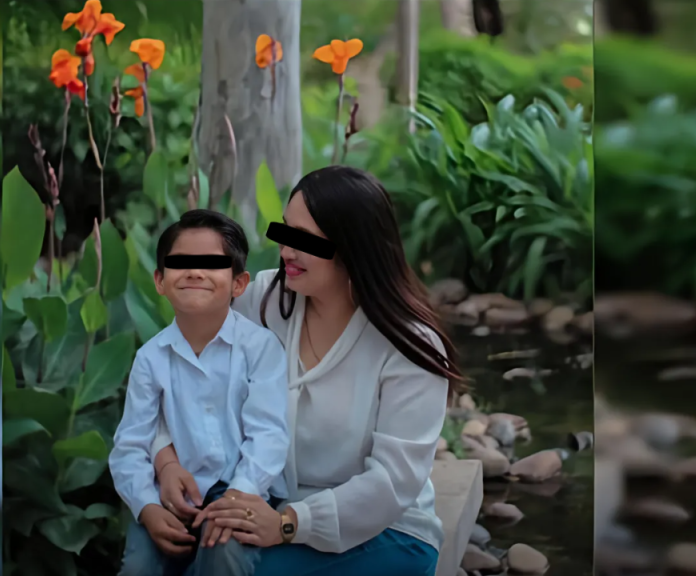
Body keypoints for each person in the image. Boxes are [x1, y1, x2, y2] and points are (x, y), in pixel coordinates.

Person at [149, 166, 465, 576]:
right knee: (177, 553)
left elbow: (392, 483)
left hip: (385, 532)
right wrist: (166, 461)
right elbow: (173, 374)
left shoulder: (409, 345)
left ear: (352, 246)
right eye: (285, 232)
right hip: (266, 505)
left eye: (303, 239)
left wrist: (289, 523)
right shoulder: (260, 302)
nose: (285, 251)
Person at [109, 209, 291, 576]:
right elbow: (130, 444)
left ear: (239, 283)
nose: (194, 272)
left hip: (241, 488)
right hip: (172, 495)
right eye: (180, 263)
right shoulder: (150, 359)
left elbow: (268, 434)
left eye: (211, 263)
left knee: (222, 552)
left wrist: (239, 494)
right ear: (160, 280)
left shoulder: (260, 348)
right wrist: (147, 507)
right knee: (139, 566)